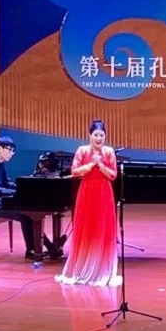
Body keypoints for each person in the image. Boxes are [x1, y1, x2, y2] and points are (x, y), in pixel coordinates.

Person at [55, 119, 122, 286]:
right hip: (87, 192)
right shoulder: (82, 150)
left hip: (104, 193)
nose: (99, 138)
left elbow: (113, 175)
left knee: (102, 227)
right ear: (89, 135)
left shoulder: (109, 152)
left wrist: (101, 165)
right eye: (96, 135)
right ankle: (82, 267)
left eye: (101, 135)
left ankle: (102, 269)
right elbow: (75, 171)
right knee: (86, 227)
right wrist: (92, 164)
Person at [0, 136, 59, 260]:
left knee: (28, 214)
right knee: (25, 214)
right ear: (0, 149)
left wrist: (23, 188)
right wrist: (15, 192)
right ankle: (40, 249)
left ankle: (37, 249)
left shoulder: (0, 164)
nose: (12, 153)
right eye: (10, 150)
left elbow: (7, 183)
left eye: (13, 150)